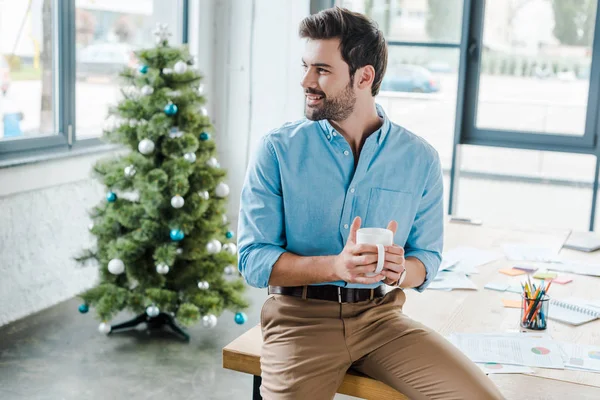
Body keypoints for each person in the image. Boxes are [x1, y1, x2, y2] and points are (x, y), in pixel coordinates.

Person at [237, 7, 505, 400]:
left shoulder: (419, 159)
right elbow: (253, 259)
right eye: (306, 66)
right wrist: (336, 266)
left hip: (380, 319)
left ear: (364, 77)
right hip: (299, 321)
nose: (306, 81)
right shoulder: (278, 150)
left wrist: (400, 271)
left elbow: (426, 258)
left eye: (322, 70)